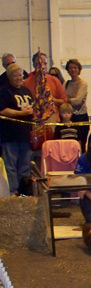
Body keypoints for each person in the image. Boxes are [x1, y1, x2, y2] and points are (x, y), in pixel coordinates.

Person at [0, 64, 34, 195]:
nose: (19, 78)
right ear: (9, 77)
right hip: (9, 135)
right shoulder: (4, 91)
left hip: (25, 135)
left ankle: (24, 190)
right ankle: (13, 191)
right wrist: (21, 113)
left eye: (20, 75)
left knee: (25, 165)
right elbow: (3, 111)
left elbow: (31, 107)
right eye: (15, 76)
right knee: (11, 165)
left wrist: (31, 111)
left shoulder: (26, 91)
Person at [64, 59, 89, 153]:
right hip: (69, 117)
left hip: (81, 117)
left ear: (79, 69)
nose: (72, 70)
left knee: (81, 144)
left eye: (75, 67)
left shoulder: (83, 84)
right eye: (70, 68)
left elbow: (78, 101)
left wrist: (65, 101)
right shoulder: (66, 84)